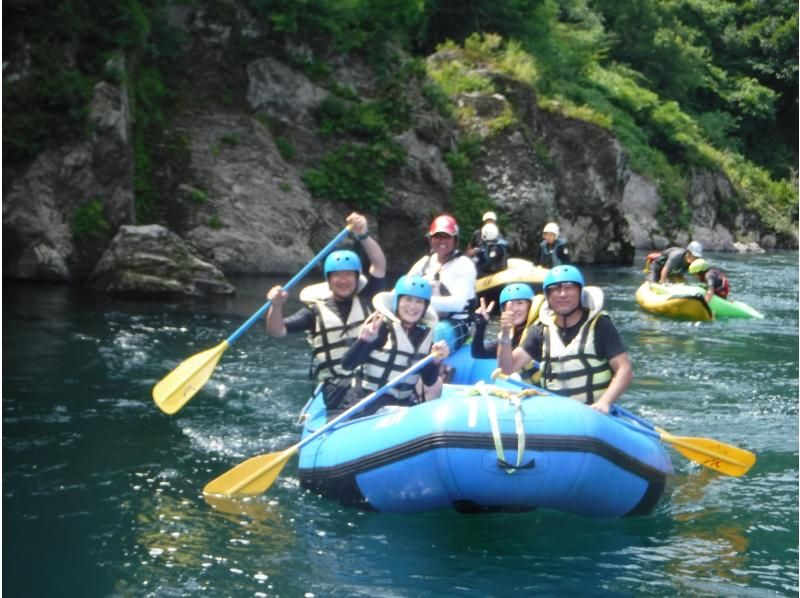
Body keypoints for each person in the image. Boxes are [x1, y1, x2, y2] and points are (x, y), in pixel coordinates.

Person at [265, 213, 386, 402]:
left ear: (357, 278)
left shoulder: (368, 299)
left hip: (371, 380)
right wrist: (276, 306)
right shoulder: (314, 313)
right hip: (335, 387)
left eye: (349, 275)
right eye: (337, 276)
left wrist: (363, 235)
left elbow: (379, 266)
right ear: (329, 280)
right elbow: (276, 330)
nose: (343, 280)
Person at [497, 265, 632, 414]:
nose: (562, 294)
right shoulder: (541, 330)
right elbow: (506, 368)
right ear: (547, 296)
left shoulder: (600, 325)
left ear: (580, 292)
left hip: (595, 412)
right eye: (555, 289)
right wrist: (505, 334)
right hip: (556, 414)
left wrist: (604, 403)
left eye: (569, 288)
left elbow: (624, 370)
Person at [338, 275, 450, 416]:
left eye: (419, 302)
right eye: (408, 299)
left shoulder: (423, 337)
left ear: (425, 306)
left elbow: (429, 381)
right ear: (398, 301)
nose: (413, 306)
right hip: (367, 402)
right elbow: (347, 364)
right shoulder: (380, 329)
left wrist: (434, 362)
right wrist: (364, 341)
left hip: (400, 404)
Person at [408, 214, 477, 351]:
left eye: (446, 236)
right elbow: (404, 287)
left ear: (455, 239)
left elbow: (458, 304)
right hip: (426, 318)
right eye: (437, 236)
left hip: (458, 322)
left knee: (431, 334)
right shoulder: (424, 263)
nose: (441, 241)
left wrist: (420, 301)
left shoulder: (464, 264)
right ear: (430, 239)